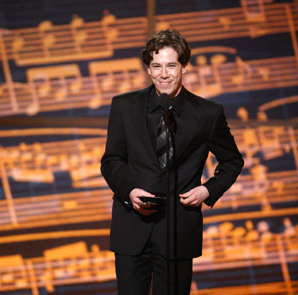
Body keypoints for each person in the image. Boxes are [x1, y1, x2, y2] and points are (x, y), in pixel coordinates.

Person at [100, 29, 244, 295]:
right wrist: (130, 191)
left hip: (178, 230)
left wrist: (207, 190)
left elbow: (233, 160)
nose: (163, 74)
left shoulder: (208, 113)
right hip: (132, 228)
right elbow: (111, 161)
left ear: (184, 67)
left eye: (170, 65)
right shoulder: (123, 106)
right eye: (156, 66)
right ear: (148, 69)